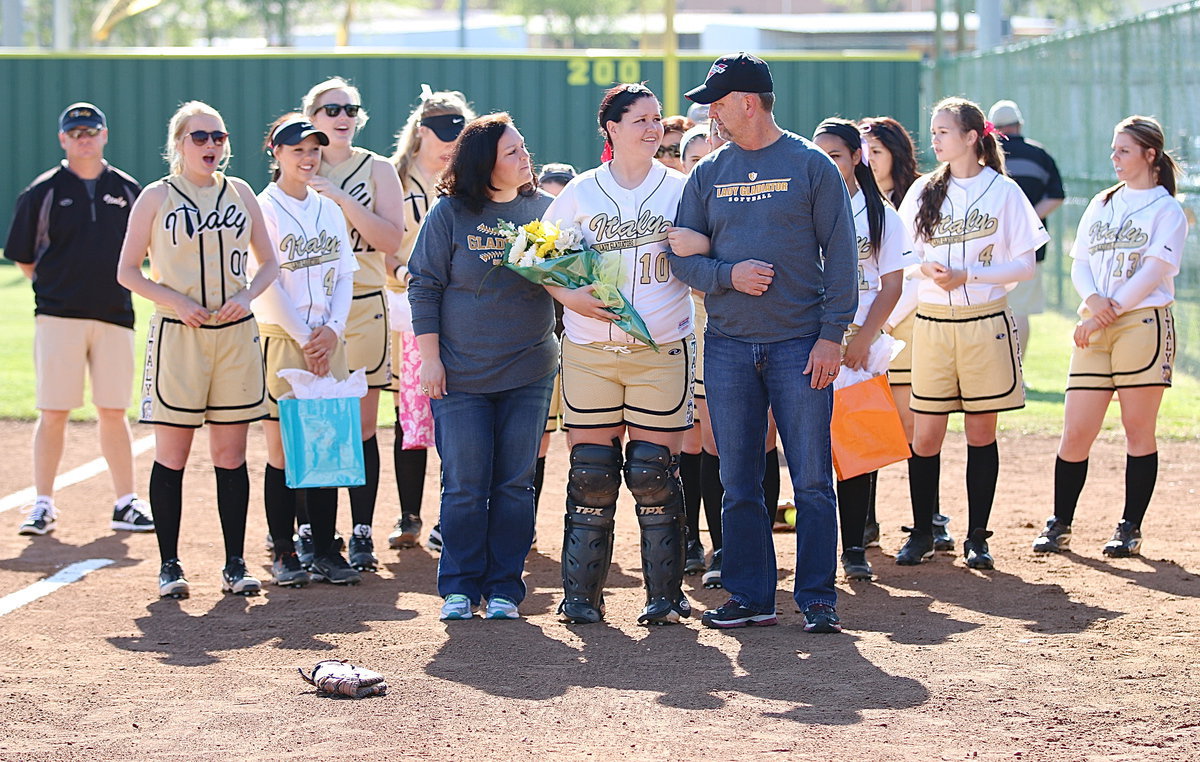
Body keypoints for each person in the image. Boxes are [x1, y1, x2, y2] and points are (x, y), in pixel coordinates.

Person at [668, 53, 857, 634]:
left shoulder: (809, 165)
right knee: (738, 480)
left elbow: (843, 257)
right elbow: (680, 258)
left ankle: (818, 597)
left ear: (748, 102)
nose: (711, 114)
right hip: (727, 344)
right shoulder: (709, 171)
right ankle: (752, 595)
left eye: (717, 103)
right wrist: (728, 276)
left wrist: (832, 337)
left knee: (811, 479)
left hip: (800, 345)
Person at [544, 83, 696, 626]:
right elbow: (542, 257)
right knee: (591, 474)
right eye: (640, 119)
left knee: (655, 474)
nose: (653, 128)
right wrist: (568, 295)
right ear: (611, 127)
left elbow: (710, 251)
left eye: (657, 119)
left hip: (660, 348)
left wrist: (696, 247)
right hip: (590, 349)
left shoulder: (681, 188)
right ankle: (582, 597)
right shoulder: (581, 192)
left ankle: (664, 596)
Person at [116, 101, 279, 598]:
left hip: (234, 336)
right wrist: (174, 301)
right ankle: (170, 564)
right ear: (179, 145)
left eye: (219, 137)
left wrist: (246, 297)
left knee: (230, 457)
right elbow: (127, 272)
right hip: (178, 335)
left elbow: (269, 263)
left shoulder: (241, 193)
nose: (211, 146)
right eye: (200, 137)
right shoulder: (156, 196)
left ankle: (234, 564)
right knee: (173, 455)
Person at [407, 113, 557, 621]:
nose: (524, 157)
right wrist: (431, 359)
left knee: (515, 484)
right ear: (486, 163)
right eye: (512, 151)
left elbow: (568, 280)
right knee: (466, 483)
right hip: (460, 374)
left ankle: (503, 589)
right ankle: (458, 586)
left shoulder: (544, 211)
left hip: (529, 370)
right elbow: (423, 285)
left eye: (523, 147)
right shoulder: (449, 214)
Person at [894, 97, 1049, 571]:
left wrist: (968, 276)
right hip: (934, 324)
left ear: (970, 136)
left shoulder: (1003, 191)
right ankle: (923, 532)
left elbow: (1026, 263)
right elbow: (902, 259)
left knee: (981, 432)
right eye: (934, 130)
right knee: (926, 436)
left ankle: (977, 537)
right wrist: (928, 268)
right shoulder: (923, 190)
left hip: (986, 320)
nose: (935, 138)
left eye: (944, 131)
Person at [1033, 115, 1187, 558]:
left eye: (1123, 150)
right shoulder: (1104, 201)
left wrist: (1104, 311)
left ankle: (1129, 527)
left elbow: (1154, 270)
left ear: (1149, 155)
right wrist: (1094, 301)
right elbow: (1080, 260)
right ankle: (1060, 522)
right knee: (1075, 431)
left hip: (1141, 323)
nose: (1114, 158)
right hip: (1096, 323)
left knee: (1138, 430)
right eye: (1113, 149)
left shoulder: (1166, 209)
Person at [4, 102, 153, 538]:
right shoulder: (43, 192)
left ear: (105, 135)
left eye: (92, 130)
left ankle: (125, 502)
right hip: (58, 316)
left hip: (114, 314)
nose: (84, 137)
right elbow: (25, 259)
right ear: (62, 139)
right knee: (53, 411)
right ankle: (43, 503)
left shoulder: (128, 190)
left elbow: (145, 252)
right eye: (76, 131)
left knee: (113, 410)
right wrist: (59, 290)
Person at [302, 77, 406, 572]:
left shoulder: (378, 168)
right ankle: (312, 532)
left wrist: (342, 199)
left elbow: (390, 239)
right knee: (314, 422)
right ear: (313, 116)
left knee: (362, 425)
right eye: (330, 109)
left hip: (363, 302)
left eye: (350, 109)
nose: (342, 117)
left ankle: (361, 531)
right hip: (308, 310)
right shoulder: (300, 161)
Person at [254, 114, 361, 587]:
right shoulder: (264, 208)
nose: (308, 156)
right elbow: (268, 280)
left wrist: (333, 330)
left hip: (327, 340)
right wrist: (305, 337)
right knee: (281, 451)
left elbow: (345, 274)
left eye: (314, 149)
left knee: (327, 446)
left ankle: (324, 549)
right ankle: (283, 550)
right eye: (297, 149)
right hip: (284, 336)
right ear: (275, 153)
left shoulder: (328, 208)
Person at [812, 118, 910, 581]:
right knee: (810, 450)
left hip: (858, 342)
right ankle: (811, 554)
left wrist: (865, 339)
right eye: (820, 154)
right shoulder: (802, 204)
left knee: (856, 447)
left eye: (836, 154)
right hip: (808, 339)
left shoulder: (879, 212)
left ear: (856, 157)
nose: (827, 163)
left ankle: (854, 547)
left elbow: (892, 285)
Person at [384, 87, 475, 554]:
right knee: (410, 416)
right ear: (421, 131)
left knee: (453, 415)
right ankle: (408, 514)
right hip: (407, 307)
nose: (448, 145)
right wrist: (406, 272)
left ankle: (446, 517)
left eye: (457, 136)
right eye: (442, 135)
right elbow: (382, 250)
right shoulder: (394, 177)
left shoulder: (466, 178)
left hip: (458, 310)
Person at [859, 115, 955, 552]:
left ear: (895, 154)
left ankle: (928, 517)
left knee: (913, 424)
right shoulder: (850, 199)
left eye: (876, 151)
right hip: (866, 326)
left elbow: (921, 268)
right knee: (867, 421)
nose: (868, 159)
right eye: (863, 151)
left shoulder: (918, 196)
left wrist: (889, 317)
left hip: (910, 319)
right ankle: (865, 520)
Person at [988, 100, 1066, 362]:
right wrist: (1028, 219)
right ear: (1019, 124)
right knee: (1019, 309)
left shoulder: (984, 157)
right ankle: (1016, 370)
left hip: (988, 241)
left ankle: (994, 368)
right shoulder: (1040, 154)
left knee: (989, 307)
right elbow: (1056, 196)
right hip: (1030, 244)